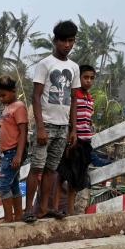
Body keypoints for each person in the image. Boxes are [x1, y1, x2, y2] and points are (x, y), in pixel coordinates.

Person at [25, 20, 80, 223]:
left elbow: (74, 99)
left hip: (62, 126)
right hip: (45, 124)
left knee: (52, 169)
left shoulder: (74, 68)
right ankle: (28, 209)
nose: (67, 45)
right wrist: (39, 127)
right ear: (55, 41)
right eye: (64, 41)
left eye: (71, 41)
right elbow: (36, 96)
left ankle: (44, 208)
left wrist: (72, 129)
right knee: (37, 167)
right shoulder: (45, 64)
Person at [58, 64, 97, 215]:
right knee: (63, 175)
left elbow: (87, 119)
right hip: (74, 140)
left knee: (76, 179)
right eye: (85, 77)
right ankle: (59, 208)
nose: (88, 81)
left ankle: (70, 210)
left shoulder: (90, 98)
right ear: (78, 78)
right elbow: (68, 118)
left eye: (92, 78)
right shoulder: (74, 96)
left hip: (85, 141)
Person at [0, 76, 28, 223]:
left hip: (14, 152)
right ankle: (18, 216)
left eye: (3, 95)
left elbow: (23, 132)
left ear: (13, 91)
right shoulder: (8, 107)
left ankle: (8, 219)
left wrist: (18, 155)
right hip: (8, 152)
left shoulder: (18, 107)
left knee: (2, 186)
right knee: (13, 185)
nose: (1, 98)